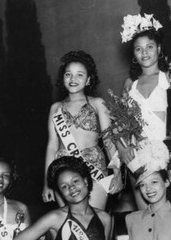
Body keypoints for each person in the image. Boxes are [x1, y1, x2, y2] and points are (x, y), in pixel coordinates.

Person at [119, 14, 171, 211]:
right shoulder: (129, 85)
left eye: (149, 47)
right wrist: (124, 148)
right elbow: (121, 124)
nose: (144, 53)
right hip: (141, 158)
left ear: (159, 49)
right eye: (138, 49)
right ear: (133, 54)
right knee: (146, 220)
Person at [42, 50, 122, 210]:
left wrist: (117, 172)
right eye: (68, 74)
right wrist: (46, 182)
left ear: (88, 80)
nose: (73, 79)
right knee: (70, 223)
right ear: (62, 78)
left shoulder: (98, 103)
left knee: (95, 220)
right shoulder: (55, 108)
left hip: (93, 167)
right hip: (62, 170)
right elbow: (52, 146)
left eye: (79, 75)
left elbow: (108, 141)